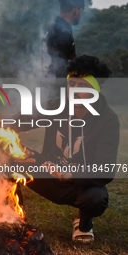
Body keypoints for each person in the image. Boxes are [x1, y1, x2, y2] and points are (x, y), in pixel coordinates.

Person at [15, 55, 119, 242]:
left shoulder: (108, 120)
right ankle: (12, 217)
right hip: (47, 170)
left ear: (98, 89)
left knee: (97, 197)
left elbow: (105, 169)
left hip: (78, 184)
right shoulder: (57, 105)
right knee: (6, 160)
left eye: (83, 86)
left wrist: (70, 174)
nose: (74, 91)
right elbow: (26, 118)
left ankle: (83, 224)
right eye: (72, 84)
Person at [41, 0, 84, 79]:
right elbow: (59, 66)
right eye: (81, 11)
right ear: (76, 10)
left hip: (48, 82)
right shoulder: (62, 32)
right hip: (55, 85)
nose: (81, 15)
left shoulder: (54, 28)